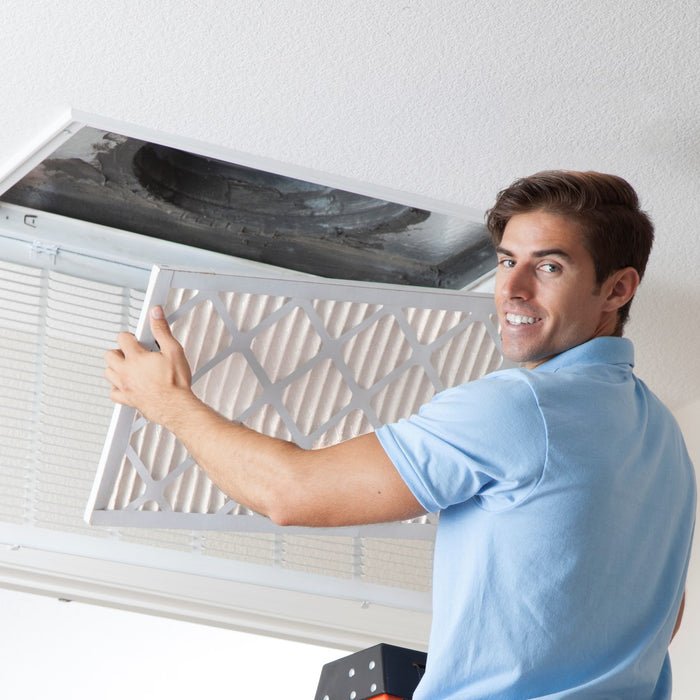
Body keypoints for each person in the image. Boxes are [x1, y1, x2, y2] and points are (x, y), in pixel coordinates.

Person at [104, 170, 696, 699]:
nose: (512, 289)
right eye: (505, 260)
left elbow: (292, 492)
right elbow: (660, 620)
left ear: (617, 290)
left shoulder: (520, 408)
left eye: (548, 266)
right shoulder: (665, 442)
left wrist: (169, 405)